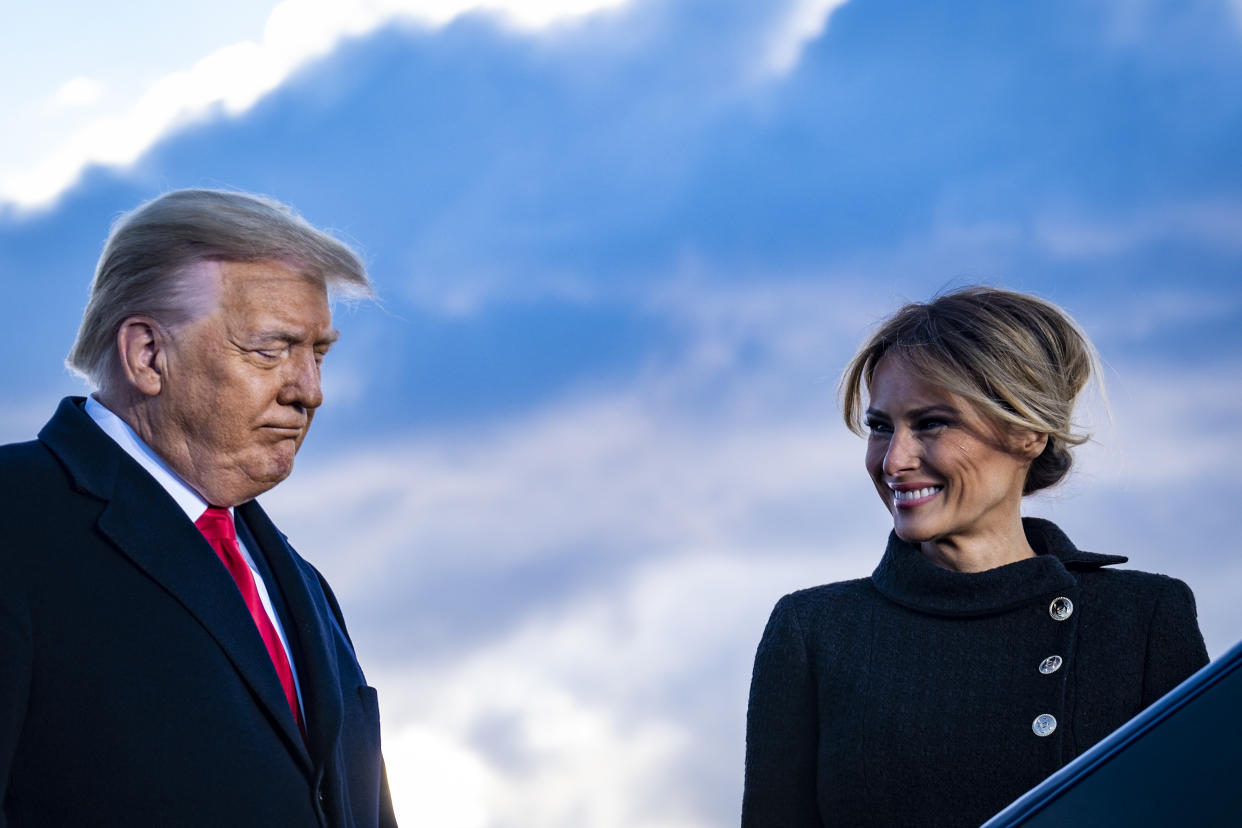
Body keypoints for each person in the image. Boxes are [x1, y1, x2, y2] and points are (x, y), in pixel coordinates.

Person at [0, 189, 398, 827]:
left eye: (318, 353)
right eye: (271, 350)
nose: (311, 391)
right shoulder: (14, 519)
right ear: (147, 356)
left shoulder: (302, 584)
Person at [741, 286, 1209, 828]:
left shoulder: (1143, 618)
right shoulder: (815, 632)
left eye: (932, 422)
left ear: (1028, 430)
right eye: (880, 426)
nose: (895, 460)